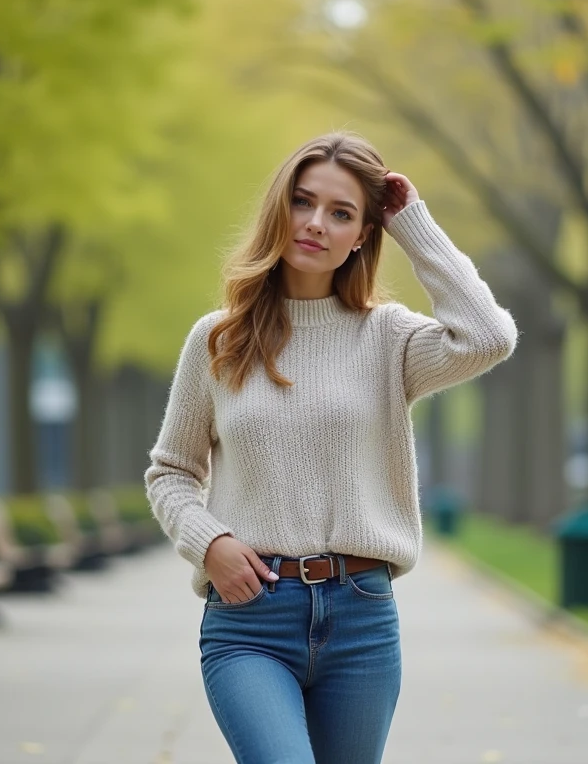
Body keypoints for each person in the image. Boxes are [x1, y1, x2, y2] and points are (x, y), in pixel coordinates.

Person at [144, 131, 517, 763]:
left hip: (361, 618)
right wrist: (209, 543)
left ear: (363, 234)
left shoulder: (388, 339)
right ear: (279, 209)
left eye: (341, 213)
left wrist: (412, 224)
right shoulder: (218, 340)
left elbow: (487, 336)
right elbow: (172, 471)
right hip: (251, 617)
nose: (316, 223)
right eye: (303, 202)